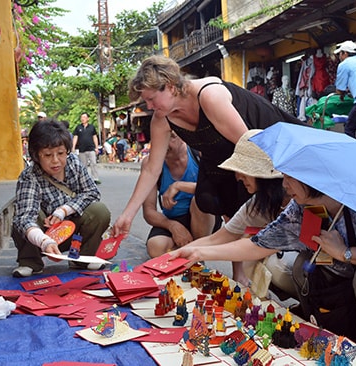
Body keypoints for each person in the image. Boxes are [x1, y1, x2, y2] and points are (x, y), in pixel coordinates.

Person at [169, 147, 356, 366]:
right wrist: (198, 250)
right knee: (304, 266)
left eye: (289, 178)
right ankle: (355, 334)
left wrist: (345, 252)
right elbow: (258, 245)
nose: (284, 185)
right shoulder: (300, 208)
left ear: (314, 179)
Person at [111, 55, 303, 237]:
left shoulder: (209, 96)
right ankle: (238, 271)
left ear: (170, 87)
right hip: (223, 158)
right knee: (217, 204)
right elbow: (152, 169)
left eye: (151, 99)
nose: (149, 106)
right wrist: (127, 215)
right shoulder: (162, 118)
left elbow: (250, 146)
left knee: (265, 213)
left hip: (263, 149)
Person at [185, 130, 297, 296]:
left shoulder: (297, 201)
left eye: (242, 170)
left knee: (276, 263)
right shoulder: (257, 204)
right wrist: (178, 255)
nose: (237, 177)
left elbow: (251, 247)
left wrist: (198, 253)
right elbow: (220, 238)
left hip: (307, 266)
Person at [11, 121, 111, 277]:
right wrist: (44, 241)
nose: (56, 160)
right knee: (23, 219)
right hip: (43, 235)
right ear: (37, 155)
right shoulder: (29, 176)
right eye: (48, 155)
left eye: (61, 153)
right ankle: (31, 261)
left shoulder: (74, 164)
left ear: (67, 151)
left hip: (72, 230)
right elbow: (25, 218)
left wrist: (63, 211)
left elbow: (91, 192)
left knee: (99, 211)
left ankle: (82, 258)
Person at [143, 130, 219, 258]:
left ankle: (196, 256)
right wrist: (173, 226)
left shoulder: (199, 154)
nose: (163, 147)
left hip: (204, 217)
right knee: (156, 246)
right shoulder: (150, 163)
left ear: (182, 138)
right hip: (173, 218)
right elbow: (149, 212)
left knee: (199, 200)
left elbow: (217, 190)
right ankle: (185, 253)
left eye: (169, 140)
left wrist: (179, 186)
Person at [72, 112, 101, 184]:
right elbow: (75, 137)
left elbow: (95, 137)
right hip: (82, 149)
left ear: (88, 118)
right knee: (83, 165)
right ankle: (84, 179)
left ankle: (95, 178)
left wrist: (97, 147)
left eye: (84, 117)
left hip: (91, 148)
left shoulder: (92, 127)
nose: (83, 119)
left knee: (93, 163)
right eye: (82, 117)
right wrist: (73, 147)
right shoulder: (78, 127)